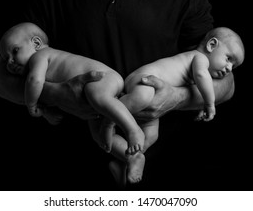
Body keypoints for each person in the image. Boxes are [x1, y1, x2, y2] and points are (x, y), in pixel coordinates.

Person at [0, 0, 236, 187]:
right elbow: (0, 81)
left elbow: (227, 84)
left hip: (165, 171)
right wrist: (55, 94)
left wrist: (175, 98)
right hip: (66, 170)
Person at [97, 26, 245, 185]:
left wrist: (200, 106)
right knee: (142, 97)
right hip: (142, 80)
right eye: (229, 59)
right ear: (211, 45)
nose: (229, 69)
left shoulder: (201, 69)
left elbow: (203, 84)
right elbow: (202, 78)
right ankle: (109, 119)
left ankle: (127, 159)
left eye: (234, 66)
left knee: (151, 135)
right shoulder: (199, 59)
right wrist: (209, 104)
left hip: (153, 97)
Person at [0, 22, 145, 155]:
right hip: (96, 90)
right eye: (6, 58)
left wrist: (31, 104)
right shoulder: (38, 61)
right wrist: (46, 112)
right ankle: (132, 158)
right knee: (98, 135)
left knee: (99, 97)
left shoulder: (40, 56)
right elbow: (49, 94)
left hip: (102, 78)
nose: (10, 62)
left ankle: (133, 130)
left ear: (36, 43)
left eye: (15, 51)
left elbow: (35, 81)